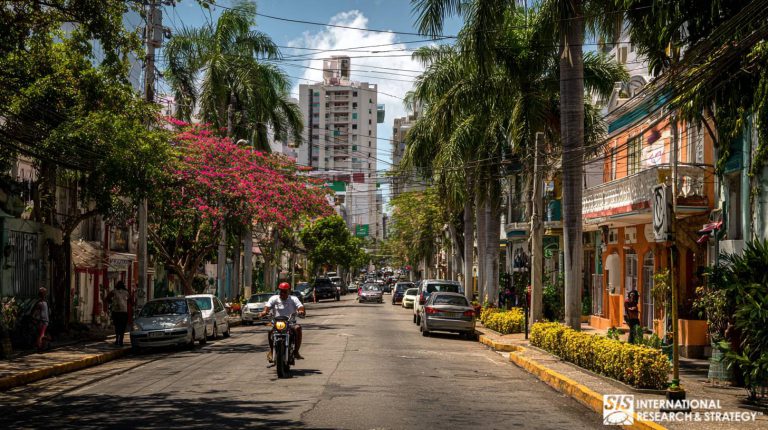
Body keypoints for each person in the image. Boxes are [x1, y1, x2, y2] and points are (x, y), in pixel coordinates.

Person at [258, 282, 306, 363]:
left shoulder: (294, 299)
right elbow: (267, 307)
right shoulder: (274, 298)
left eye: (284, 291)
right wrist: (264, 312)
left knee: (298, 328)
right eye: (281, 291)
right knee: (270, 331)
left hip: (290, 323)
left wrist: (301, 311)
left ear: (289, 291)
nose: (282, 293)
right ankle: (272, 351)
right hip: (277, 323)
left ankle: (296, 351)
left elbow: (300, 307)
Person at [107, 281, 129, 346]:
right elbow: (131, 301)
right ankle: (121, 341)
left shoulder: (114, 292)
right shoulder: (126, 292)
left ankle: (117, 340)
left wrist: (111, 303)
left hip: (116, 312)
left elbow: (107, 298)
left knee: (117, 326)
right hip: (124, 312)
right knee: (122, 327)